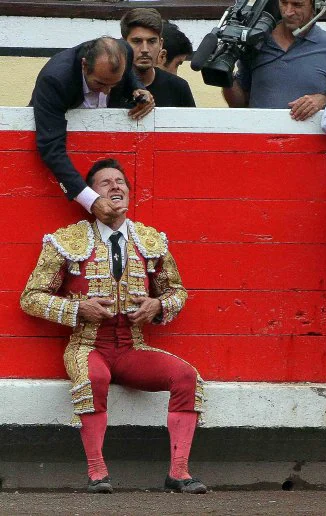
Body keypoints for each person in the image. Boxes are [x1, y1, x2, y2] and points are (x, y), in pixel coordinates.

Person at [20, 158, 207, 495]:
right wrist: (78, 308)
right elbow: (30, 297)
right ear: (91, 195)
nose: (115, 186)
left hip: (132, 347)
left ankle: (179, 473)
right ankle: (97, 474)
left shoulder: (150, 240)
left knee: (186, 377)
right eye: (105, 183)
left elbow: (177, 292)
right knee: (94, 378)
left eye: (120, 182)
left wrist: (158, 305)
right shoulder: (67, 240)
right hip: (88, 346)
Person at [31, 37, 154, 226]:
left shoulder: (125, 53)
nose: (105, 92)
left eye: (112, 85)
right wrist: (91, 200)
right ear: (84, 65)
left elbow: (128, 73)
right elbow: (51, 147)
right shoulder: (55, 79)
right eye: (99, 84)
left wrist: (138, 88)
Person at [223, 0, 326, 121]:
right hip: (259, 138)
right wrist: (224, 73)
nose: (288, 12)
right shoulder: (256, 40)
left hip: (308, 140)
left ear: (316, 6)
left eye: (297, 5)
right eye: (283, 3)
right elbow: (239, 103)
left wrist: (323, 100)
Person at [121, 8, 196, 107]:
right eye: (137, 41)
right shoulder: (110, 85)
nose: (145, 49)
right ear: (124, 44)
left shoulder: (178, 87)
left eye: (152, 41)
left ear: (160, 44)